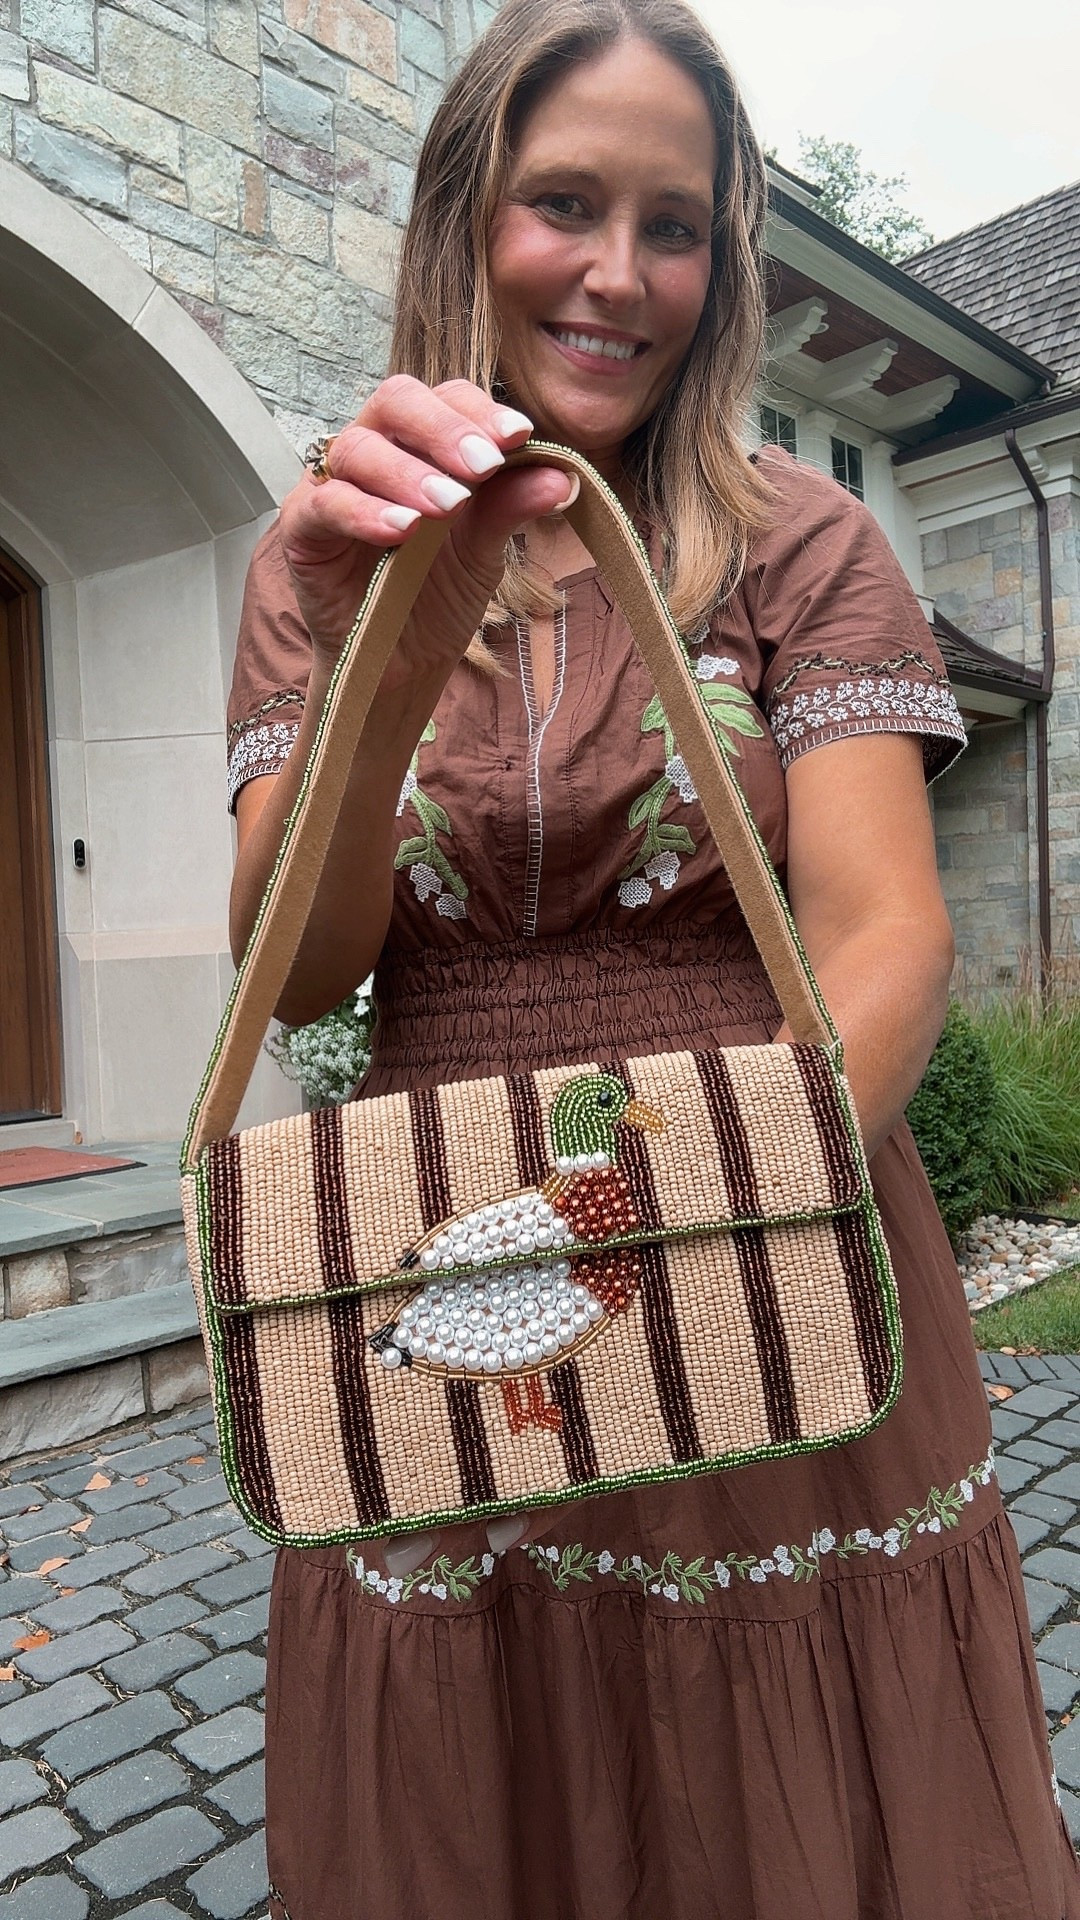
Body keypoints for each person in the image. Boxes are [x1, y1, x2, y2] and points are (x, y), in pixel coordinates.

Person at [224, 2, 1079, 1914]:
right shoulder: (321, 558)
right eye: (563, 203)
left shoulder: (802, 539)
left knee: (768, 1758)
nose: (619, 271)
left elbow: (886, 935)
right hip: (434, 1251)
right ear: (464, 219)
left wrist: (672, 1224)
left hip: (765, 1215)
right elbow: (299, 977)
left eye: (673, 223)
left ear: (726, 259)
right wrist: (391, 625)